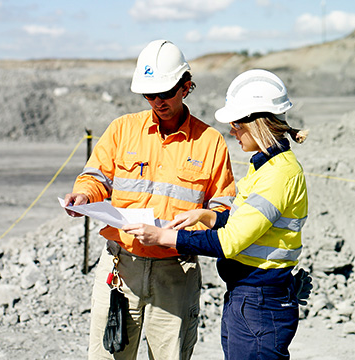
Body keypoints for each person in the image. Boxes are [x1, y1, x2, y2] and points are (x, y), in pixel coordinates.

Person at [64, 40, 235, 359]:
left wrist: (195, 226)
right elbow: (96, 178)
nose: (157, 102)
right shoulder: (121, 130)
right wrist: (83, 195)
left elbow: (222, 209)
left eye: (165, 93)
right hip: (119, 268)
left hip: (176, 272)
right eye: (149, 94)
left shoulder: (210, 143)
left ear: (186, 86)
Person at [123, 69, 309, 360]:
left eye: (236, 125)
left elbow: (229, 242)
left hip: (259, 299)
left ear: (257, 124)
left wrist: (164, 236)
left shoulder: (278, 175)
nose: (233, 132)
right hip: (249, 297)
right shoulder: (266, 166)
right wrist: (205, 217)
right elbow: (246, 222)